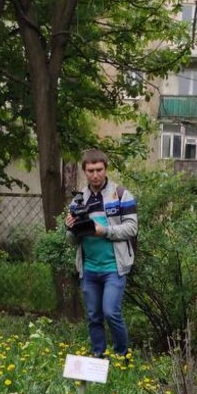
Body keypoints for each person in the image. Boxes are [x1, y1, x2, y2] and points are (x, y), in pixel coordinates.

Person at [63, 149, 138, 358]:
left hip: (114, 267)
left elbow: (132, 228)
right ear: (84, 172)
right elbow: (71, 240)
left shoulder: (121, 195)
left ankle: (122, 356)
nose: (95, 175)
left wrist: (104, 231)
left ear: (105, 169)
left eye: (99, 170)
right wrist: (69, 228)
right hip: (89, 268)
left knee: (111, 312)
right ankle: (98, 357)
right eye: (90, 171)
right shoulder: (78, 200)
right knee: (93, 315)